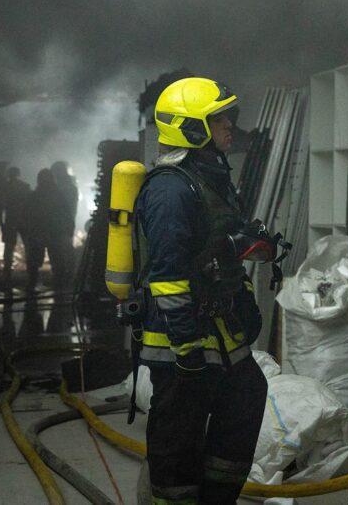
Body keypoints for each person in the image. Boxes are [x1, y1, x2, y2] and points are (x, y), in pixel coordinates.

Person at [135, 76, 266, 504]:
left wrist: (249, 244)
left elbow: (215, 243)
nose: (229, 123)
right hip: (181, 338)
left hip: (217, 328)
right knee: (178, 438)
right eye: (218, 117)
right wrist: (185, 345)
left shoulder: (209, 178)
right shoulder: (171, 189)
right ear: (194, 128)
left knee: (247, 396)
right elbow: (168, 275)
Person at [24, 169, 60, 291]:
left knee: (36, 259)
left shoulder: (36, 195)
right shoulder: (56, 194)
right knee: (53, 257)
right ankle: (56, 283)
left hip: (41, 230)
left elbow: (28, 212)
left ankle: (33, 283)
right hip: (49, 230)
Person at [49, 161, 78, 291]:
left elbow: (65, 208)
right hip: (62, 224)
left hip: (62, 225)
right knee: (62, 251)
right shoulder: (68, 187)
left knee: (62, 251)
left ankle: (65, 277)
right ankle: (65, 277)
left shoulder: (65, 188)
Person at [1, 166, 31, 280]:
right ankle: (31, 271)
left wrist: (1, 221)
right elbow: (30, 204)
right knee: (28, 245)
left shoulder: (6, 187)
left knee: (9, 246)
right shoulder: (25, 186)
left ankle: (7, 272)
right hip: (24, 219)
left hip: (11, 219)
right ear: (19, 174)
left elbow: (1, 205)